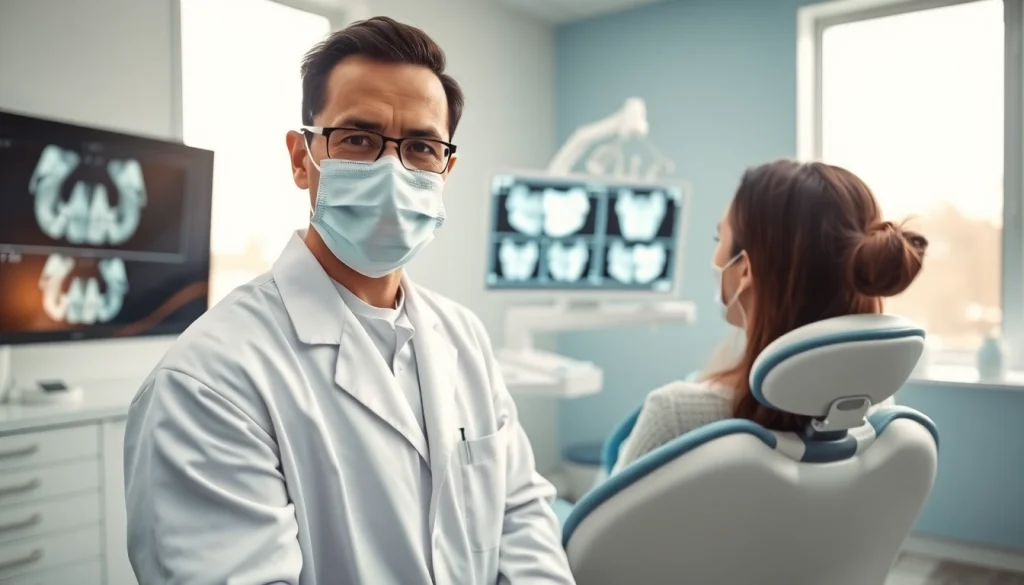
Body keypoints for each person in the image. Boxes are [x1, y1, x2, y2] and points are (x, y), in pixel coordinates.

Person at [123, 16, 575, 585]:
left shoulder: (464, 336)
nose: (392, 169)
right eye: (359, 139)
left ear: (445, 170)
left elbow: (520, 517)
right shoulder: (210, 380)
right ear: (300, 157)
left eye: (420, 146)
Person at [612, 159, 928, 472]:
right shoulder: (875, 413)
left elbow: (596, 524)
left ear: (745, 268)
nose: (714, 255)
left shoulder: (675, 416)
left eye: (717, 239)